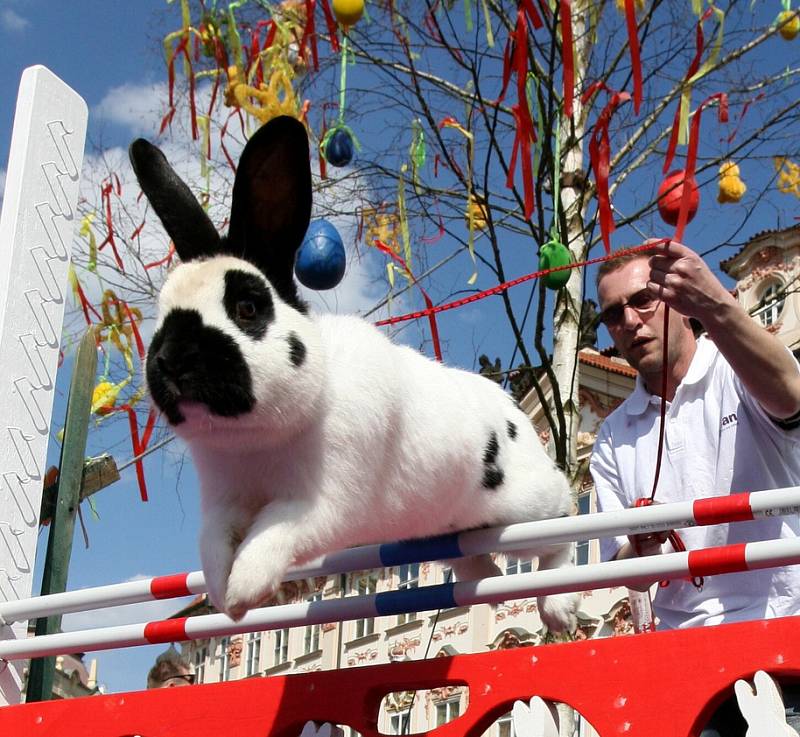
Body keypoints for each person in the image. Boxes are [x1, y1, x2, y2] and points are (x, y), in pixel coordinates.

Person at [589, 241, 800, 736]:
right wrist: (639, 548)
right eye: (613, 314)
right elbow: (628, 575)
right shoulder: (612, 434)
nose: (630, 322)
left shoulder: (734, 367)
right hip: (686, 663)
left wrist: (716, 304)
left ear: (679, 302)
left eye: (643, 300)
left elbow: (791, 396)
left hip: (783, 640)